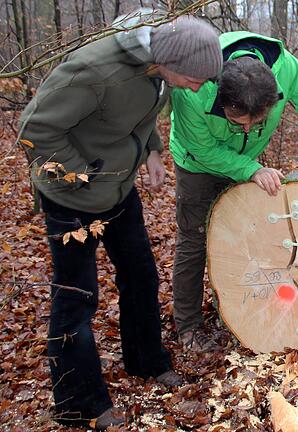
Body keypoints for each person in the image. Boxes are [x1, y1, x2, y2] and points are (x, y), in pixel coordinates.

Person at [17, 8, 222, 429]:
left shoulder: (157, 71)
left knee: (141, 274)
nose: (200, 87)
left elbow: (140, 114)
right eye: (197, 79)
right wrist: (85, 174)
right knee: (77, 296)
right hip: (72, 197)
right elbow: (34, 129)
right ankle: (79, 403)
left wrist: (152, 152)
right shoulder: (95, 71)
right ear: (171, 63)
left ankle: (147, 362)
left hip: (120, 190)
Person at [169, 31, 298, 352]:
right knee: (195, 240)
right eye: (236, 120)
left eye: (256, 122)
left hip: (246, 162)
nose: (245, 129)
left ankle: (242, 308)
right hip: (195, 164)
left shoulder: (285, 69)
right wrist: (251, 169)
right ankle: (187, 326)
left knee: (249, 235)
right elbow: (202, 148)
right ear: (221, 96)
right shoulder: (194, 87)